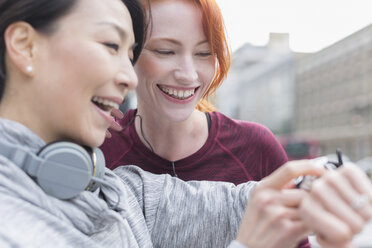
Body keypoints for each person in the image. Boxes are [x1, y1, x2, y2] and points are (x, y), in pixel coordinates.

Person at [0, 0, 371, 248]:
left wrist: (323, 183)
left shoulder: (108, 187)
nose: (127, 76)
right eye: (111, 46)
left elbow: (244, 201)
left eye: (130, 54)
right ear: (26, 46)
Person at [101, 0, 287, 185]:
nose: (188, 75)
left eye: (204, 53)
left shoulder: (256, 149)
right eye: (165, 51)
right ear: (128, 54)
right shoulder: (99, 148)